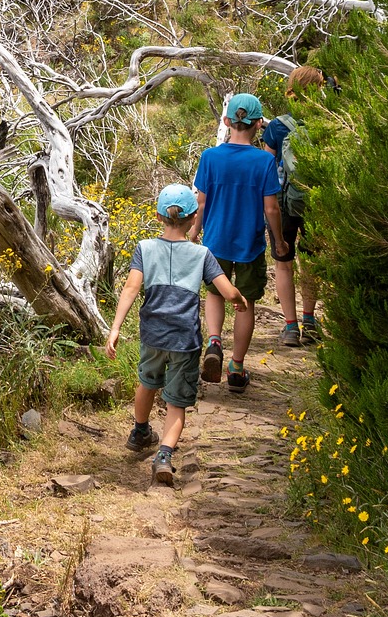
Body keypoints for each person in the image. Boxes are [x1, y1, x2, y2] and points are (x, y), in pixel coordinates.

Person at [103, 183, 245, 485]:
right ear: (194, 219)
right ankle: (165, 455)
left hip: (153, 335)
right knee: (177, 403)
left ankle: (140, 431)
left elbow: (130, 288)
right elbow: (226, 291)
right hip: (185, 339)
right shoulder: (202, 253)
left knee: (147, 382)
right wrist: (239, 300)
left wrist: (115, 328)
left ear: (158, 216)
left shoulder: (145, 248)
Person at [192, 92, 284, 394]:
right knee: (246, 303)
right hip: (250, 244)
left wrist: (194, 233)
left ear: (226, 121)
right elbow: (271, 208)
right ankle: (236, 367)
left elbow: (202, 203)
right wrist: (279, 242)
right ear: (259, 124)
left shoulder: (210, 157)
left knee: (215, 294)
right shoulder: (264, 162)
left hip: (216, 242)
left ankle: (214, 341)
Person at [261, 65, 330, 344]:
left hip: (283, 203)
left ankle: (291, 326)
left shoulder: (277, 126)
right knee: (311, 261)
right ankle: (310, 320)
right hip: (317, 202)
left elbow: (267, 167)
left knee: (283, 263)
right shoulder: (328, 121)